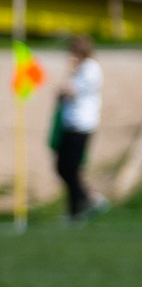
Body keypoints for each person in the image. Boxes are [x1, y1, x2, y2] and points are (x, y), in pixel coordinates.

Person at [52, 34, 108, 222]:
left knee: (71, 168)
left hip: (82, 124)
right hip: (70, 124)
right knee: (63, 167)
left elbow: (70, 92)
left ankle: (79, 208)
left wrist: (69, 77)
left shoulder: (90, 69)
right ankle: (84, 202)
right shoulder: (80, 70)